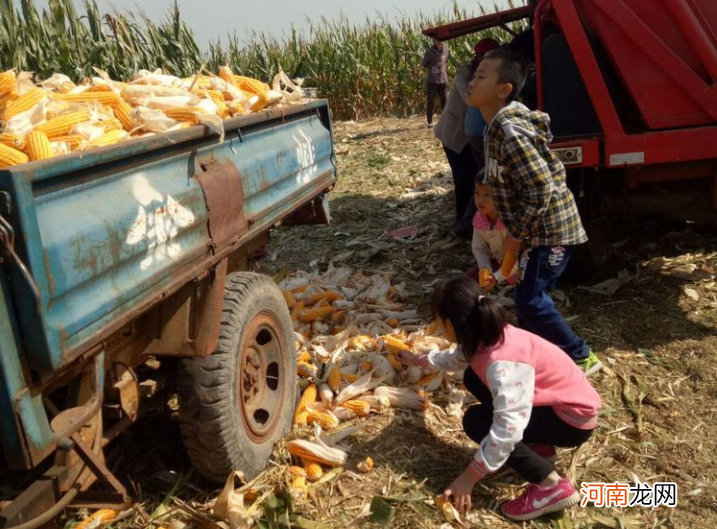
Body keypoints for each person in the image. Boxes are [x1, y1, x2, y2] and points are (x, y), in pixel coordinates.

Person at [399, 277, 601, 521]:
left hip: (571, 421)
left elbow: (508, 429)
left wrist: (469, 477)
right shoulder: (487, 332)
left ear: (450, 325)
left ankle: (551, 485)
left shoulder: (500, 363)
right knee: (473, 376)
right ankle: (539, 444)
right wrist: (419, 360)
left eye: (437, 321)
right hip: (558, 405)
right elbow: (457, 358)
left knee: (477, 422)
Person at [464, 48, 602, 375]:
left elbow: (541, 187)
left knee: (530, 299)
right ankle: (536, 355)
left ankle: (581, 356)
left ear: (503, 89)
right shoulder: (495, 126)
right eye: (475, 74)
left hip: (550, 230)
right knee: (525, 299)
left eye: (482, 76)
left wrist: (515, 234)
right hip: (535, 229)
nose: (471, 81)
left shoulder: (509, 131)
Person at [434, 38, 499, 238]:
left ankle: (472, 223)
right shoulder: (465, 74)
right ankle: (462, 223)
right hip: (454, 134)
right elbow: (471, 98)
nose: (486, 61)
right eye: (484, 57)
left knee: (474, 177)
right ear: (477, 56)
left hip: (469, 136)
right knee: (462, 179)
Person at [469, 170, 518, 290]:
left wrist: (496, 277)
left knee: (522, 289)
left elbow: (517, 256)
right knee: (467, 282)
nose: (480, 200)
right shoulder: (479, 218)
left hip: (520, 264)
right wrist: (485, 270)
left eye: (487, 194)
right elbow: (479, 247)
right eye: (477, 193)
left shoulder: (510, 220)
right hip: (498, 261)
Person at [421, 38, 449, 127]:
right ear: (434, 42)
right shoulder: (429, 52)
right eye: (438, 41)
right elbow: (424, 63)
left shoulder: (446, 50)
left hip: (443, 79)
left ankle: (446, 120)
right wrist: (433, 68)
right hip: (432, 80)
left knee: (444, 99)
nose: (440, 42)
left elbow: (445, 62)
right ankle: (430, 122)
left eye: (441, 41)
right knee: (431, 100)